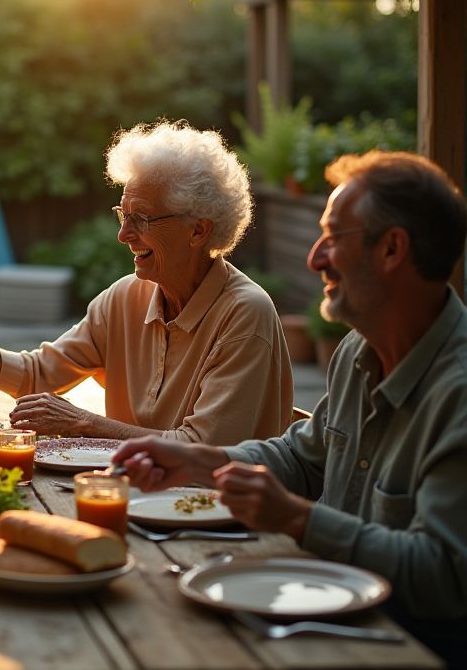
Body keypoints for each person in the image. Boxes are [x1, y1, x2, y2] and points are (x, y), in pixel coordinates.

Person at [113, 150, 467, 664]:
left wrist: (299, 519)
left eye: (333, 238)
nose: (314, 257)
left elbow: (445, 575)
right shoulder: (356, 353)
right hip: (318, 617)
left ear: (392, 249)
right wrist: (198, 463)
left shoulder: (457, 393)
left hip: (407, 649)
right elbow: (304, 458)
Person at [0, 121, 292, 444]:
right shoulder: (124, 299)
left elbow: (203, 449)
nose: (123, 234)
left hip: (221, 520)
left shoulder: (244, 315)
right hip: (136, 498)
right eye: (121, 215)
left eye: (141, 218)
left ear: (198, 230)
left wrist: (83, 424)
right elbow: (38, 376)